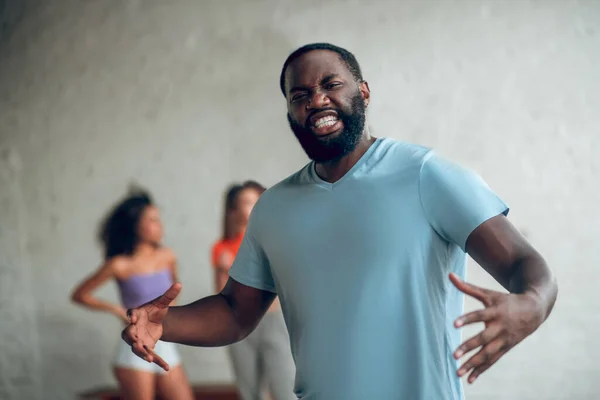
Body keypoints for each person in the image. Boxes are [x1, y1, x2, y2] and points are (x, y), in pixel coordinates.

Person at [121, 43, 558, 400]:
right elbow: (236, 312)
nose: (317, 100)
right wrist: (165, 323)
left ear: (363, 92)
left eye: (331, 84)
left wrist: (532, 305)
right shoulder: (274, 208)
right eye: (300, 95)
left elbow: (522, 262)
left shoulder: (426, 174)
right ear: (291, 112)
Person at [71, 188, 194, 400]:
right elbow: (80, 294)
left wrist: (171, 319)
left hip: (165, 343)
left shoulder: (167, 256)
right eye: (153, 220)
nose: (160, 225)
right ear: (136, 226)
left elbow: (173, 294)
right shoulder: (119, 264)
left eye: (159, 219)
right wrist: (117, 310)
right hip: (134, 346)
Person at [212, 181, 296, 400]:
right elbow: (222, 295)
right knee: (250, 391)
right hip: (239, 325)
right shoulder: (222, 248)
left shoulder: (276, 239)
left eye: (258, 201)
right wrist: (224, 270)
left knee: (285, 386)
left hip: (274, 320)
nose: (253, 206)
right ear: (236, 209)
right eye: (247, 202)